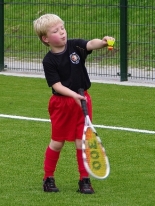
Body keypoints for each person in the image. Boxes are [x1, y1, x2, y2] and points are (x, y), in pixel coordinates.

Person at [33, 13, 115, 194]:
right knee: (57, 142)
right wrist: (73, 97)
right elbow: (56, 85)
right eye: (56, 31)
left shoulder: (74, 45)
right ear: (45, 39)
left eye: (62, 28)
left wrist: (102, 42)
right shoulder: (49, 60)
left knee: (82, 141)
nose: (62, 33)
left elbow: (90, 44)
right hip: (61, 105)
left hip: (83, 100)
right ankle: (48, 178)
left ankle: (84, 181)